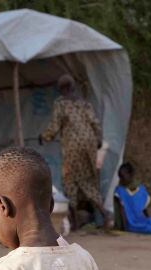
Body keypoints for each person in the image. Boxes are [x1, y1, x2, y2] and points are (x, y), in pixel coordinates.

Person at [39, 74, 113, 232]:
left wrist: (44, 137)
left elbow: (54, 126)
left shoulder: (61, 103)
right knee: (88, 182)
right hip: (90, 145)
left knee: (69, 182)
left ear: (63, 89)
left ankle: (75, 224)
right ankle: (106, 215)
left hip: (72, 147)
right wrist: (98, 140)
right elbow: (95, 124)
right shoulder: (84, 104)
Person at [113, 162, 151, 235]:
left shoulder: (140, 189)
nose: (121, 180)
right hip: (130, 224)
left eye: (123, 177)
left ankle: (149, 226)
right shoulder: (119, 191)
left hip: (140, 220)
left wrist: (148, 220)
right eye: (120, 177)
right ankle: (148, 227)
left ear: (131, 175)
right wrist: (126, 227)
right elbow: (121, 210)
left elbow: (144, 207)